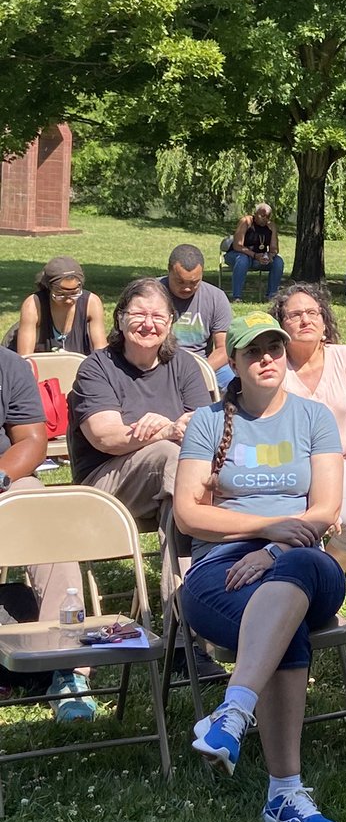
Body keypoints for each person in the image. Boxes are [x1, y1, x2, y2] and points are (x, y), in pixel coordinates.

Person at [174, 312, 345, 822]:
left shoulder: (314, 418)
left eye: (276, 347)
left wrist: (272, 548)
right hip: (219, 569)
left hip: (303, 559)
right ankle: (284, 796)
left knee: (293, 570)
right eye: (255, 351)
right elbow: (188, 515)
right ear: (238, 362)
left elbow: (325, 510)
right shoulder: (208, 422)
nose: (268, 358)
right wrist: (265, 524)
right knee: (283, 624)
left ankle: (234, 711)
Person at [67, 277, 216, 678]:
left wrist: (179, 426)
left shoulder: (182, 364)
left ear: (170, 322)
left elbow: (207, 425)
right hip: (104, 489)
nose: (148, 324)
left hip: (171, 488)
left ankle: (184, 640)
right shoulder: (97, 367)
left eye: (158, 316)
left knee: (177, 503)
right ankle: (206, 611)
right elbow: (105, 436)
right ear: (120, 318)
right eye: (139, 314)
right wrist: (166, 430)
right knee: (173, 461)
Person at [0, 345, 95, 720]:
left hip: (4, 481)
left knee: (41, 510)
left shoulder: (8, 366)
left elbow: (32, 441)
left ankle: (67, 668)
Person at [271, 284, 346, 570]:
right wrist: (322, 500)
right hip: (291, 466)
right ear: (281, 325)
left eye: (312, 313)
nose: (305, 320)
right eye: (295, 315)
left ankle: (322, 572)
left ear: (324, 321)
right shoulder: (274, 366)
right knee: (305, 523)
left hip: (343, 462)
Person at [160, 243, 234, 389]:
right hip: (159, 362)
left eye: (194, 282)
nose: (187, 288)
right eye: (180, 282)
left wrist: (200, 372)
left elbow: (224, 348)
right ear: (169, 271)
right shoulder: (151, 293)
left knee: (238, 381)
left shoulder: (216, 297)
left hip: (202, 364)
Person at [10, 256, 106, 356]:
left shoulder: (92, 302)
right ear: (48, 288)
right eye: (60, 294)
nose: (69, 300)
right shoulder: (33, 305)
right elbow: (25, 359)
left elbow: (101, 355)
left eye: (74, 293)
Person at [224, 203, 285, 301]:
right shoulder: (246, 222)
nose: (265, 219)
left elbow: (274, 249)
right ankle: (237, 296)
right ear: (255, 214)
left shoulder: (271, 226)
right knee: (242, 260)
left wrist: (269, 256)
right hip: (238, 255)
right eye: (262, 215)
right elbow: (237, 246)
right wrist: (254, 255)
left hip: (259, 258)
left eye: (268, 216)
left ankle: (271, 295)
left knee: (278, 262)